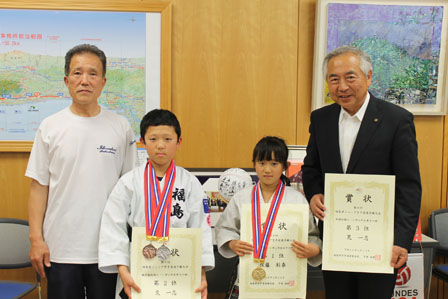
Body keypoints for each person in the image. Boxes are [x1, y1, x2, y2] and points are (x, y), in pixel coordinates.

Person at [302, 45, 421, 299]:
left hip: (379, 241)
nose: (342, 86)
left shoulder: (397, 120)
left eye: (350, 77)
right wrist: (314, 194)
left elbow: (409, 186)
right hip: (336, 239)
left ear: (368, 77)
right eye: (334, 79)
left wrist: (401, 239)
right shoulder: (321, 119)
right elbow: (311, 168)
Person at [25, 44, 138, 298]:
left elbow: (132, 188)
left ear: (104, 81)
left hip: (108, 249)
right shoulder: (50, 127)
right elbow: (38, 187)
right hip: (59, 249)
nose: (84, 80)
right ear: (66, 80)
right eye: (77, 73)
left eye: (92, 74)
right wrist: (36, 239)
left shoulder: (121, 127)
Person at [98, 109, 214, 299]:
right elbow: (113, 226)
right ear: (142, 142)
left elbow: (201, 228)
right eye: (153, 139)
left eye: (167, 139)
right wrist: (123, 270)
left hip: (180, 268)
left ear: (179, 142)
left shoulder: (190, 183)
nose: (160, 145)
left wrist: (200, 273)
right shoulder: (129, 182)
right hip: (139, 268)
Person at [215, 136, 321, 298]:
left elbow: (312, 235)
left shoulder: (297, 199)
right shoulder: (242, 198)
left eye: (274, 164)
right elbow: (225, 228)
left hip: (286, 278)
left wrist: (313, 249)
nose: (267, 170)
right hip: (250, 276)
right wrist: (232, 243)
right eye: (262, 163)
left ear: (285, 166)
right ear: (254, 164)